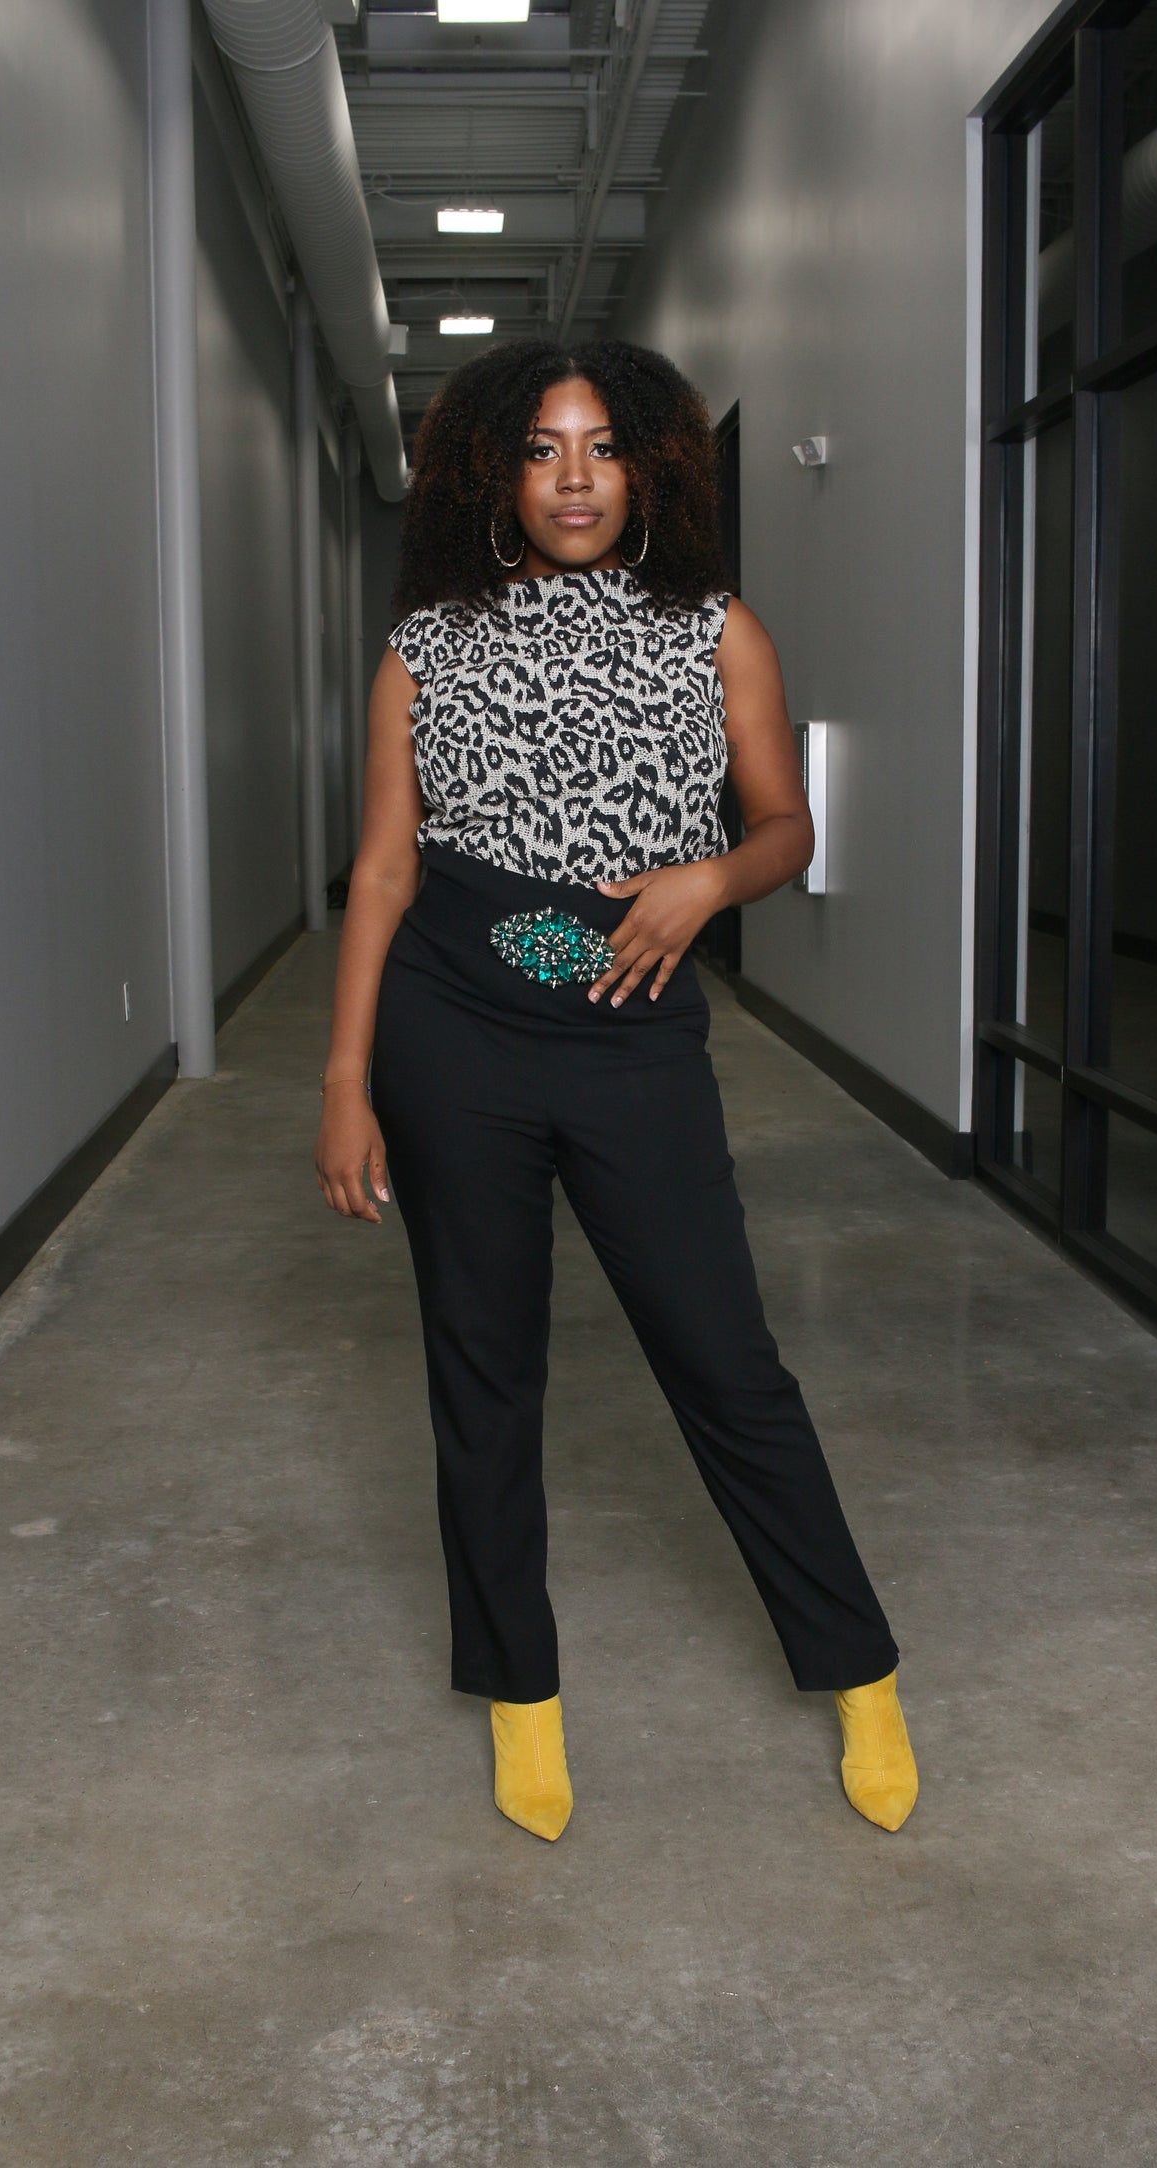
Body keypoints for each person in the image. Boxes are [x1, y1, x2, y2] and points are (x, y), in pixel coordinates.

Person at [314, 338, 917, 1842]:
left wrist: (710, 879)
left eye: (601, 447)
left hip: (631, 1030)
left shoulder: (716, 630)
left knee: (726, 1360)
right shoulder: (423, 647)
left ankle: (860, 1672)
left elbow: (784, 826)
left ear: (650, 465)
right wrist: (344, 1076)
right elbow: (382, 871)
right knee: (482, 1368)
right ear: (493, 472)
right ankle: (520, 1695)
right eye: (541, 449)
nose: (574, 479)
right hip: (451, 1026)